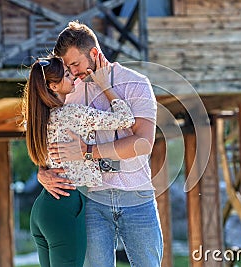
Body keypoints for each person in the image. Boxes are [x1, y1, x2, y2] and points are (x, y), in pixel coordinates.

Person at [37, 21, 163, 267]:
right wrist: (43, 171)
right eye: (67, 67)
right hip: (90, 200)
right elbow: (50, 136)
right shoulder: (69, 90)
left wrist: (87, 152)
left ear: (94, 53)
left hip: (137, 198)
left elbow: (143, 143)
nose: (72, 72)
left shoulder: (136, 83)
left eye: (75, 64)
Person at [22, 55, 135, 267]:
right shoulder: (72, 114)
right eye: (66, 74)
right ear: (53, 85)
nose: (73, 75)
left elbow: (44, 160)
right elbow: (126, 119)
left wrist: (41, 172)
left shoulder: (36, 121)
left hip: (44, 208)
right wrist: (105, 85)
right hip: (67, 204)